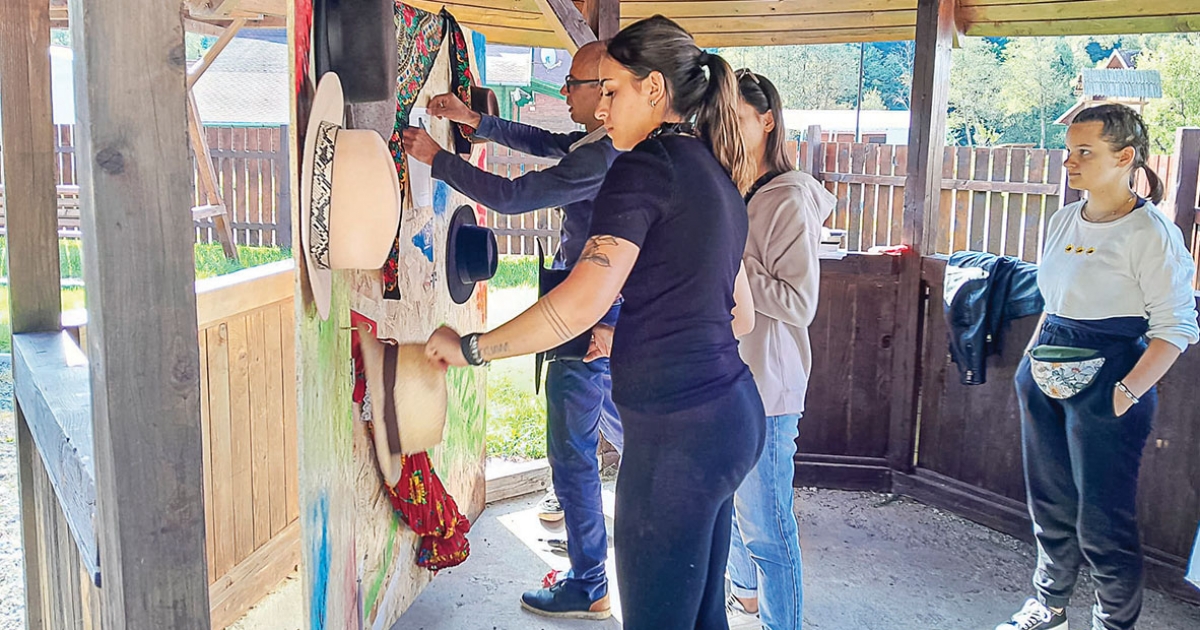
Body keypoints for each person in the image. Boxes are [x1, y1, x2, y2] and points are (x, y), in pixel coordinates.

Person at [425, 15, 764, 628]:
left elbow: (578, 303)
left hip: (678, 439)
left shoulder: (642, 167)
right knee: (702, 617)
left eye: (611, 90)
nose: (601, 108)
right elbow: (738, 311)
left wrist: (472, 347)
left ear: (653, 88)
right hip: (730, 419)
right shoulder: (711, 169)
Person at [402, 41, 624, 619]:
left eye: (572, 83)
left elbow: (513, 196)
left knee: (572, 455)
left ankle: (589, 582)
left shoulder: (601, 158)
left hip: (589, 316)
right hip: (604, 313)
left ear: (606, 95)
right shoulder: (602, 143)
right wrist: (473, 120)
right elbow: (541, 142)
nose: (563, 92)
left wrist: (436, 157)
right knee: (626, 437)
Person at [997, 104, 1199, 630]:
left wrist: (1125, 393)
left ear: (1125, 157)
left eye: (1084, 151)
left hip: (1112, 377)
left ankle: (1113, 621)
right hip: (1047, 370)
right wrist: (1029, 366)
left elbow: (1177, 329)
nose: (1071, 161)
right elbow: (1054, 299)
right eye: (1069, 150)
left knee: (1103, 518)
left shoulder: (1151, 233)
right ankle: (1050, 605)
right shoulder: (1065, 218)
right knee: (1050, 502)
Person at [723, 69, 834, 630]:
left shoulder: (788, 197)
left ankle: (778, 622)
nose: (725, 129)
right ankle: (742, 596)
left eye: (738, 119)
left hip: (770, 382)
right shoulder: (738, 189)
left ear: (767, 122)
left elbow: (799, 301)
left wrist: (730, 266)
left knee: (768, 526)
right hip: (734, 373)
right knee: (737, 509)